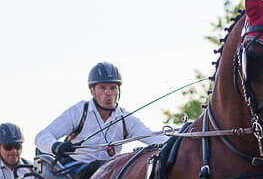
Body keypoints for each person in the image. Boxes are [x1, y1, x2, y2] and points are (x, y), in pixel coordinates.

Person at [35, 62, 166, 166]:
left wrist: (177, 138)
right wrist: (56, 146)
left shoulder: (125, 119)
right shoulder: (79, 112)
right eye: (103, 88)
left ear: (118, 91)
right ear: (92, 90)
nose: (108, 93)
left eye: (113, 88)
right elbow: (41, 136)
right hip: (76, 168)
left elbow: (153, 137)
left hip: (107, 172)